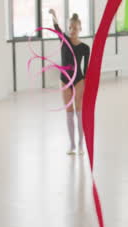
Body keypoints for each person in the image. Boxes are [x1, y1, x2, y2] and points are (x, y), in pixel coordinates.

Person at [49, 9, 90, 155]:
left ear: (80, 28)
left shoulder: (85, 48)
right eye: (70, 27)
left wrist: (86, 84)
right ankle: (72, 145)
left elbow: (87, 69)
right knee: (69, 112)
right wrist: (54, 15)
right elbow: (56, 28)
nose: (72, 30)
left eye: (75, 27)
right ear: (68, 28)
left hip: (79, 80)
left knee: (79, 111)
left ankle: (80, 144)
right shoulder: (64, 40)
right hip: (64, 79)